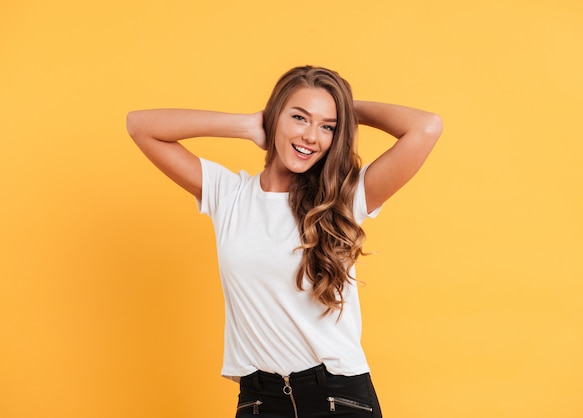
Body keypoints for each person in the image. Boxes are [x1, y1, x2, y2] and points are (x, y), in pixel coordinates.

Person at [126, 65, 442, 418]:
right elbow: (140, 126)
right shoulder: (228, 195)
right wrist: (246, 126)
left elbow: (426, 127)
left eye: (328, 127)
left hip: (338, 398)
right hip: (260, 400)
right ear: (275, 117)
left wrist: (346, 109)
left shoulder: (345, 197)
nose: (311, 136)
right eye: (299, 118)